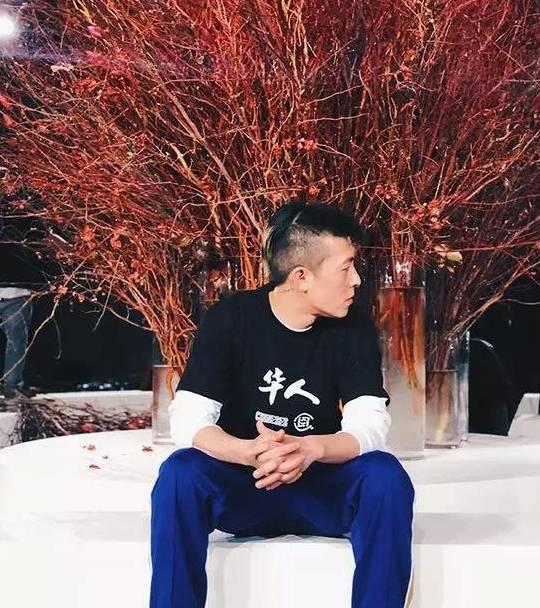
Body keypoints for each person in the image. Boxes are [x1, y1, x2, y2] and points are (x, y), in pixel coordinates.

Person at [150, 202, 415, 608]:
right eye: (345, 268)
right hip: (247, 484)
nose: (357, 280)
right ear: (301, 277)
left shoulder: (354, 327)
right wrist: (246, 451)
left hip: (319, 485)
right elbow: (188, 417)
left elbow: (371, 425)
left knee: (385, 476)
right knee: (179, 473)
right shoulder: (231, 318)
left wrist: (311, 448)